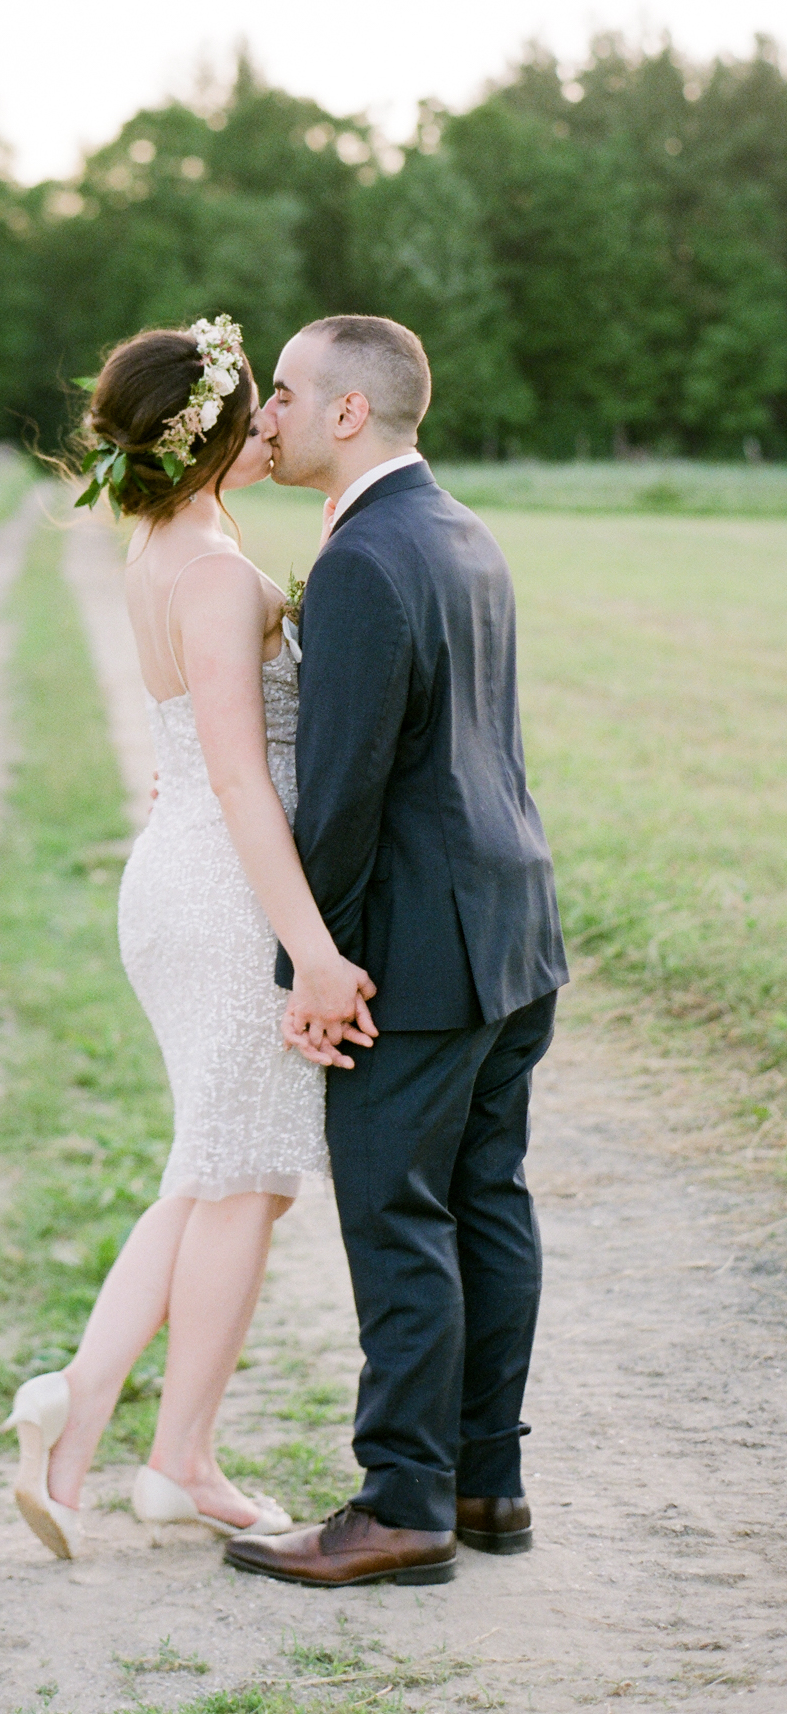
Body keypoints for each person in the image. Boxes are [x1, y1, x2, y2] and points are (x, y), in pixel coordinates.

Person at [4, 317, 377, 1561]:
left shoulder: (166, 545)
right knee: (241, 1177)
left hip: (178, 874)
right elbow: (234, 776)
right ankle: (171, 1453)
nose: (274, 417)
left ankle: (99, 1421)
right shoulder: (216, 572)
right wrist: (311, 950)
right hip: (223, 888)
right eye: (255, 401)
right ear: (218, 432)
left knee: (219, 1166)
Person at [222, 314, 568, 1589]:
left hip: (418, 948)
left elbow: (344, 795)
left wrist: (313, 967)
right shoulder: (463, 531)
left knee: (396, 1215)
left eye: (286, 394)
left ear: (347, 413)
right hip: (511, 925)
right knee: (487, 1200)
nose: (270, 414)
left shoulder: (366, 558)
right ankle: (488, 1482)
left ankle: (403, 1502)